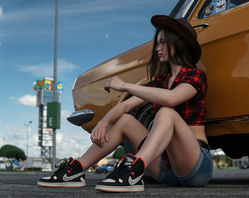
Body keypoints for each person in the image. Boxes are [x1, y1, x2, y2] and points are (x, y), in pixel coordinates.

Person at [37, 15, 213, 192]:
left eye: (162, 42)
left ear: (179, 43)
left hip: (195, 167)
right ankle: (76, 169)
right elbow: (125, 106)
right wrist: (103, 123)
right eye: (157, 43)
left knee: (167, 112)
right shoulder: (159, 83)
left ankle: (134, 170)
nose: (157, 49)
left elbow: (171, 98)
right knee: (124, 119)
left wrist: (123, 86)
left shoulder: (196, 75)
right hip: (166, 168)